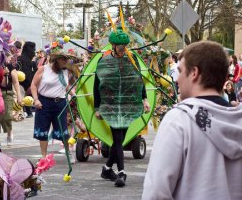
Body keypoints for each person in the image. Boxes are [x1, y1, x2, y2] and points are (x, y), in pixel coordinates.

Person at [142, 41, 242, 200]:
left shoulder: (179, 121)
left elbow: (156, 192)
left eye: (181, 71)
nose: (177, 80)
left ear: (194, 73)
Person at [94, 29, 150, 187]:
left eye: (125, 45)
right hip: (110, 104)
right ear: (113, 45)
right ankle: (122, 173)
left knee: (121, 139)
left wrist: (144, 99)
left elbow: (139, 80)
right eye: (120, 46)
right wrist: (97, 107)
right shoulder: (103, 60)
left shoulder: (132, 58)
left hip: (128, 104)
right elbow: (97, 84)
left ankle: (106, 169)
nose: (123, 48)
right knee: (117, 138)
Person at [31, 43, 75, 160]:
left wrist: (72, 93)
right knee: (42, 131)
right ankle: (44, 156)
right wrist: (36, 100)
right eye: (63, 59)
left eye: (66, 59)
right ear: (56, 59)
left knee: (63, 131)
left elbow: (65, 86)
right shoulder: (43, 69)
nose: (66, 61)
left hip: (60, 103)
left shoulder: (65, 71)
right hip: (44, 103)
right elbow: (34, 85)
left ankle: (68, 152)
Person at [0, 51, 23, 145]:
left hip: (7, 93)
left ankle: (9, 133)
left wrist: (19, 96)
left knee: (7, 116)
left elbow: (16, 82)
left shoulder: (10, 67)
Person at [17, 41, 37, 118]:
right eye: (33, 50)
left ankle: (26, 112)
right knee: (22, 98)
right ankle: (25, 112)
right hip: (23, 83)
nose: (34, 52)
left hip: (25, 83)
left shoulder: (23, 59)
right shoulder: (24, 59)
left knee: (23, 98)